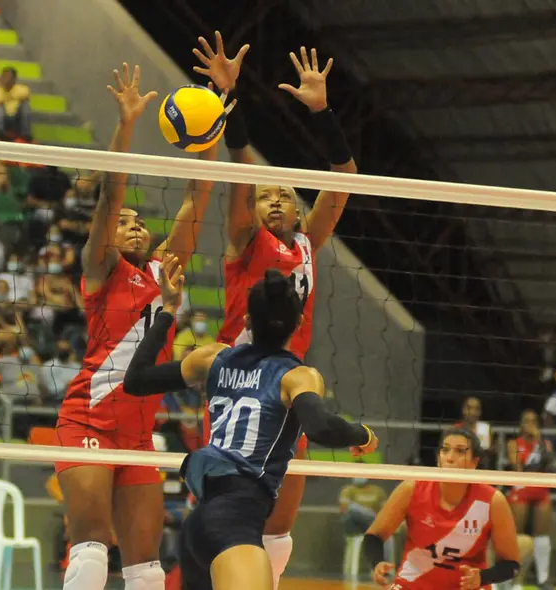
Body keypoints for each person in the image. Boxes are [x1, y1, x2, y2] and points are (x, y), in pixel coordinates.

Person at [192, 33, 358, 588]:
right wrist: (227, 96)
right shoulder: (244, 240)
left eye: (286, 192)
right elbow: (242, 167)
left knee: (279, 523)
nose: (279, 198)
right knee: (231, 517)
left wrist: (322, 112)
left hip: (289, 389)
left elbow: (346, 178)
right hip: (239, 382)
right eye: (267, 194)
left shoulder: (310, 241)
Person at [52, 63, 220, 590]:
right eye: (127, 222)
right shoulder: (101, 269)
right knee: (92, 549)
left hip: (139, 433)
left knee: (147, 567)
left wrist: (211, 125)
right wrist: (126, 125)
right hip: (88, 420)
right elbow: (109, 198)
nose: (135, 224)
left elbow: (200, 200)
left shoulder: (163, 270)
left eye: (140, 221)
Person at [122, 262, 378, 590]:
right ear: (299, 323)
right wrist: (364, 434)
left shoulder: (213, 358)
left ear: (246, 321)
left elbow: (136, 380)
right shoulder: (297, 375)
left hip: (199, 524)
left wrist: (168, 310)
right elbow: (321, 427)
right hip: (236, 522)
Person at [365, 429, 521, 590]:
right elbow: (374, 536)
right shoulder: (412, 488)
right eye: (445, 449)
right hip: (412, 585)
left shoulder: (493, 501)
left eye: (460, 451)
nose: (450, 457)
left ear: (474, 462)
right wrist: (376, 563)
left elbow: (512, 565)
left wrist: (482, 577)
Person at [506, 410, 553, 590]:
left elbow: (549, 464)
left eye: (534, 421)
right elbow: (517, 466)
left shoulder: (545, 444)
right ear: (521, 424)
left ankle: (543, 578)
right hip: (521, 488)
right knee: (516, 535)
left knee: (542, 535)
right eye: (527, 421)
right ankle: (511, 577)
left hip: (541, 489)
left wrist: (539, 441)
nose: (530, 424)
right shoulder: (514, 444)